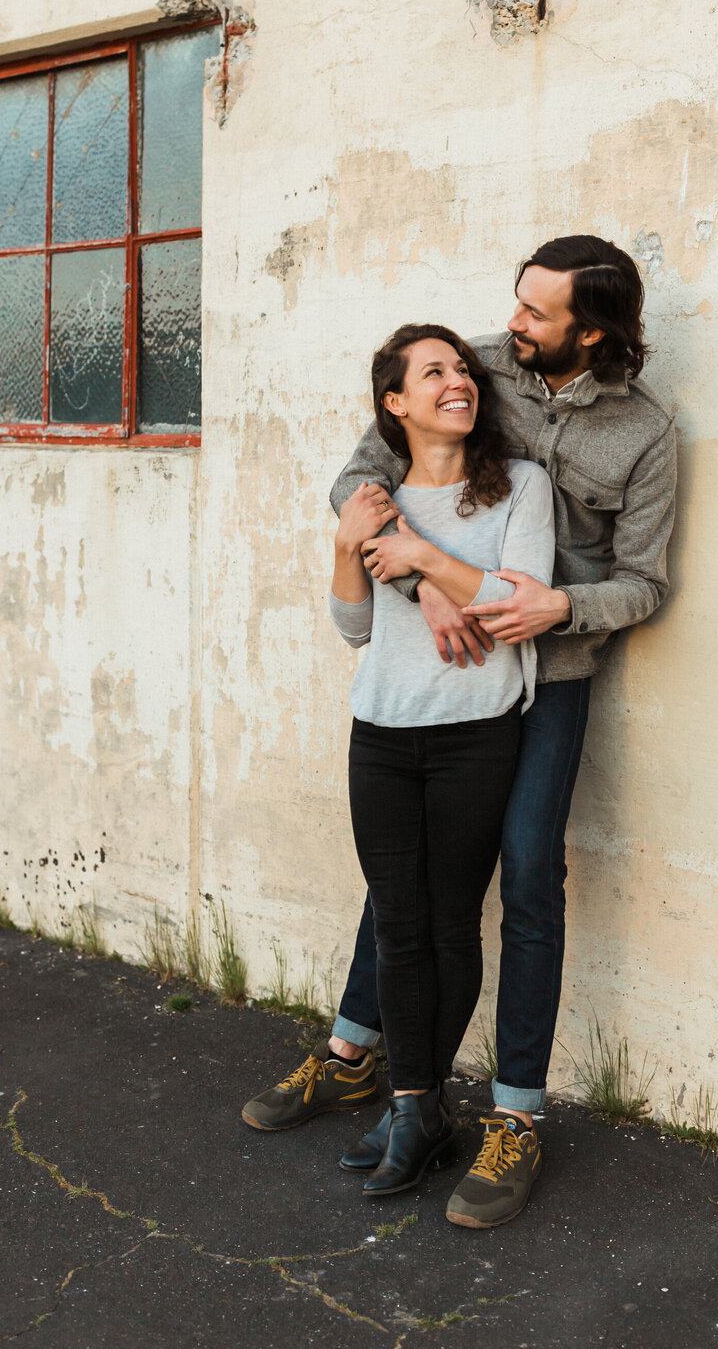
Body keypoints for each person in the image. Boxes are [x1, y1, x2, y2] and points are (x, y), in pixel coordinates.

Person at [242, 236, 676, 1229]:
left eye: (537, 314)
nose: (512, 325)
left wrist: (560, 607)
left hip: (551, 674)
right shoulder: (472, 367)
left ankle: (514, 1117)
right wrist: (421, 578)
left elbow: (645, 583)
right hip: (438, 670)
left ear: (593, 331)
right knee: (413, 865)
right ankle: (356, 1056)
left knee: (525, 870)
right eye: (516, 304)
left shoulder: (647, 434)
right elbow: (358, 481)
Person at [247, 322, 555, 1197]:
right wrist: (351, 548)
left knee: (450, 923)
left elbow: (518, 604)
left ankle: (419, 1104)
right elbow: (354, 629)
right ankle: (417, 1106)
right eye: (433, 373)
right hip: (380, 736)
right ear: (395, 402)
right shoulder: (373, 502)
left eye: (462, 370)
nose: (457, 382)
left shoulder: (521, 489)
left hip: (474, 736)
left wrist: (424, 561)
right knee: (396, 922)